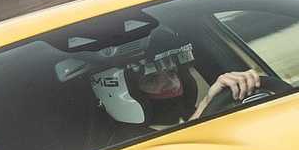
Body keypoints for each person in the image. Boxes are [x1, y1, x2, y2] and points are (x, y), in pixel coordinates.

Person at [90, 27, 263, 129]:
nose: (171, 83)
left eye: (172, 72)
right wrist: (207, 102)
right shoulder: (119, 147)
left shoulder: (195, 113)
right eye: (151, 79)